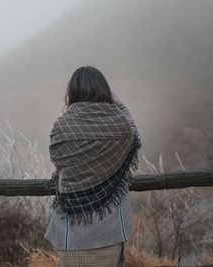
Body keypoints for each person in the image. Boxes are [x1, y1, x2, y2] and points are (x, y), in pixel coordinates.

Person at [45, 66, 142, 267]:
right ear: (105, 90)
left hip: (73, 233)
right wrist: (111, 97)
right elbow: (135, 134)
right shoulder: (121, 126)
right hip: (112, 229)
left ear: (72, 93)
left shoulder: (63, 127)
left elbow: (57, 158)